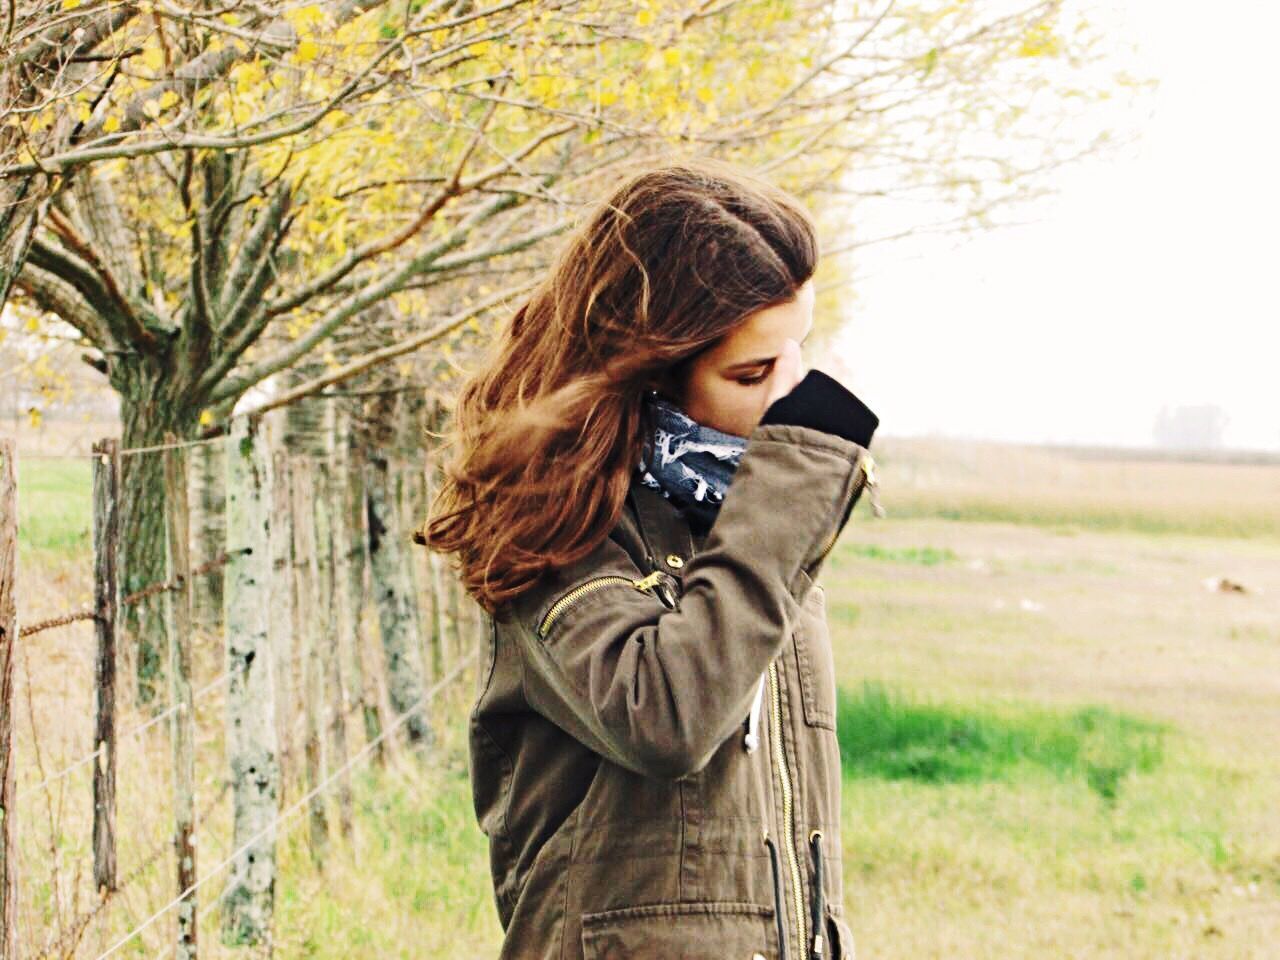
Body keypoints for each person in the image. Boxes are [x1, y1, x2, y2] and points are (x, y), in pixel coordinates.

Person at [421, 156, 880, 960]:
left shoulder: (747, 514)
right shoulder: (559, 525)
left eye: (800, 354)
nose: (790, 396)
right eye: (752, 371)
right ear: (646, 374)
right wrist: (787, 499)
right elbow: (666, 719)